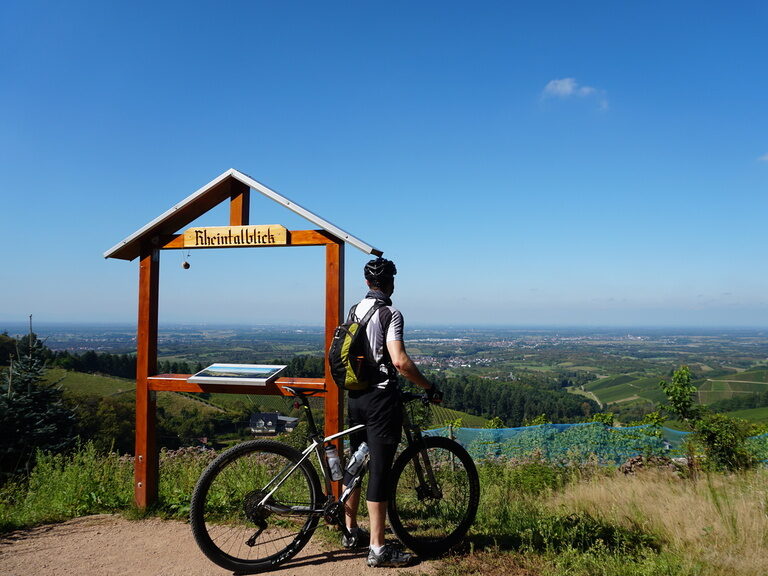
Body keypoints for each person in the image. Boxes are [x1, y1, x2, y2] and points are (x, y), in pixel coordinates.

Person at [341, 257, 442, 568]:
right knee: (380, 471)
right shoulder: (390, 313)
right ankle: (378, 548)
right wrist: (428, 386)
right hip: (381, 401)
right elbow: (398, 361)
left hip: (355, 396)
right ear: (390, 283)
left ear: (368, 283)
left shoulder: (354, 310)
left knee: (356, 463)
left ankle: (350, 531)